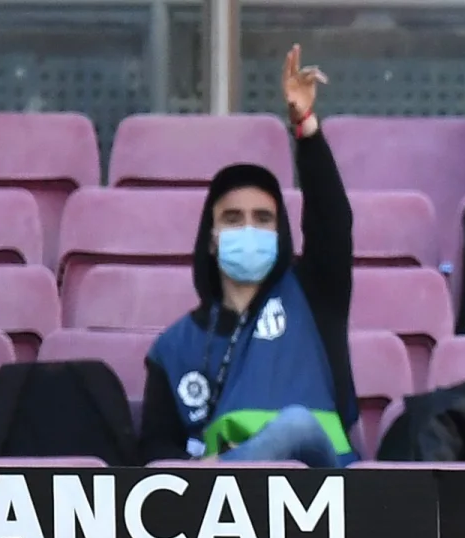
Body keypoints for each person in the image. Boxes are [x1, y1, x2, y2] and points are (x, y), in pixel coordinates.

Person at [139, 45, 359, 467]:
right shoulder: (174, 346)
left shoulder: (313, 295)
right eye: (234, 219)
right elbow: (154, 450)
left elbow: (333, 220)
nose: (249, 229)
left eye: (263, 219)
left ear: (280, 233)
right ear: (211, 237)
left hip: (328, 486)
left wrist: (306, 128)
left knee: (296, 424)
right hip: (230, 508)